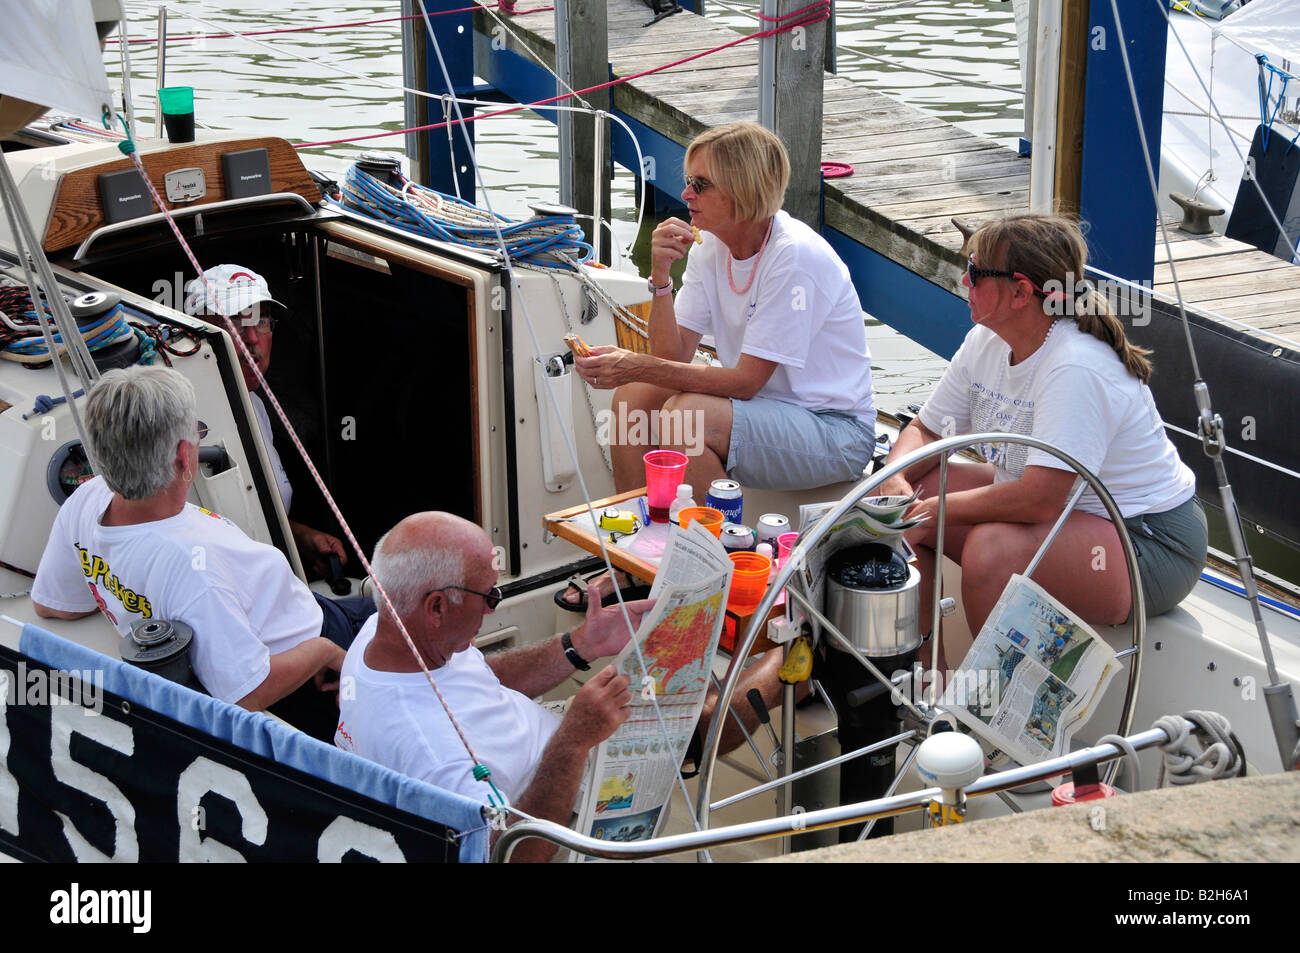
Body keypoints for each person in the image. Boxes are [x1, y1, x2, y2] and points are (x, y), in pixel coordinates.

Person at [336, 511, 792, 862]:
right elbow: (513, 855)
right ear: (436, 606)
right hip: (551, 818)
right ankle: (798, 662)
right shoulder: (434, 757)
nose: (494, 609)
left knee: (670, 700)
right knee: (693, 727)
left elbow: (478, 678)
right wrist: (575, 740)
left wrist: (579, 645)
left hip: (549, 748)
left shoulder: (386, 630)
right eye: (489, 597)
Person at [877, 213, 1206, 660]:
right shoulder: (985, 341)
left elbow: (1039, 500)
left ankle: (993, 715)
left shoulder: (1075, 366)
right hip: (1073, 515)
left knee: (989, 551)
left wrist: (937, 510)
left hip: (1147, 541)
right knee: (916, 487)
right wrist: (897, 478)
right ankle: (924, 681)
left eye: (975, 271)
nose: (963, 279)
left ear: (1021, 292)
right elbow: (926, 429)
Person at [30, 365, 366, 740]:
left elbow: (54, 604)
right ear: (184, 458)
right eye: (197, 431)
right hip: (313, 663)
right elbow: (245, 693)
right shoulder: (193, 566)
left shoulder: (86, 500)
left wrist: (123, 592)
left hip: (305, 628)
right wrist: (324, 653)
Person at [573, 121, 876, 496]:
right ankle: (642, 543)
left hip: (835, 430)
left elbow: (747, 383)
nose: (685, 193)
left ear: (743, 189)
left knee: (686, 418)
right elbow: (673, 357)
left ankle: (713, 549)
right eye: (688, 180)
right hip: (767, 411)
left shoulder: (793, 257)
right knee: (634, 396)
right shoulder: (710, 246)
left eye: (700, 184)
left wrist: (638, 363)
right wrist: (661, 277)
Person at [184, 264, 347, 579]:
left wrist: (297, 537)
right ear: (196, 330)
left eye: (261, 321)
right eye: (235, 321)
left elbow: (248, 518)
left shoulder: (254, 403)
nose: (252, 338)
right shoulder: (176, 422)